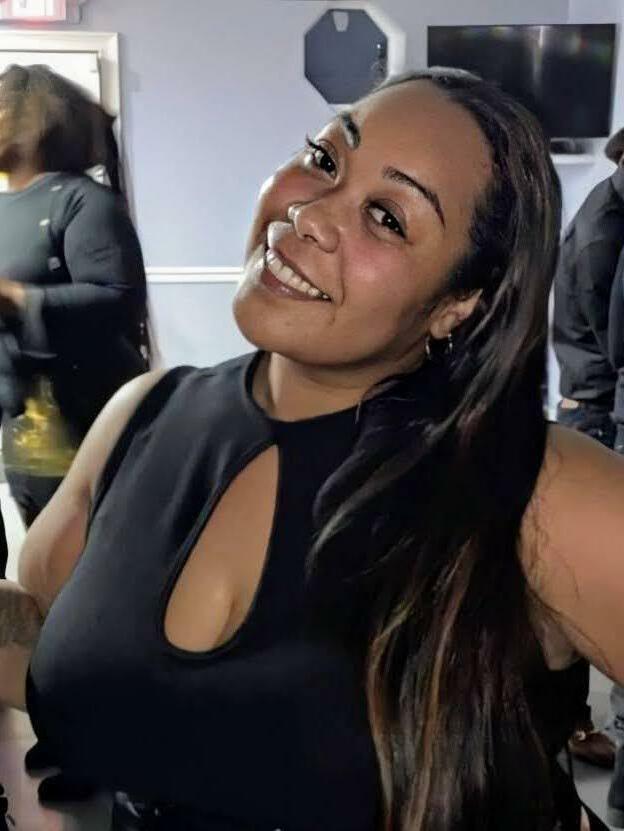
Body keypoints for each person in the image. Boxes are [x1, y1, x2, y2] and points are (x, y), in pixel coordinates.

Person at [0, 68, 623, 831]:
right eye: (325, 159)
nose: (310, 211)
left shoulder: (539, 488)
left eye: (387, 217)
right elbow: (56, 646)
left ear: (460, 304)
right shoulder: (140, 414)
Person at [0, 64, 151, 550]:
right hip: (23, 423)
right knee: (43, 552)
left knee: (92, 556)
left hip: (85, 421)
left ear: (31, 122)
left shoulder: (83, 202)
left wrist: (18, 298)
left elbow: (118, 298)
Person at [552, 126, 624, 782]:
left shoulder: (608, 206)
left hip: (590, 406)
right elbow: (614, 344)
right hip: (595, 413)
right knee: (581, 586)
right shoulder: (606, 227)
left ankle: (574, 723)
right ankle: (573, 725)